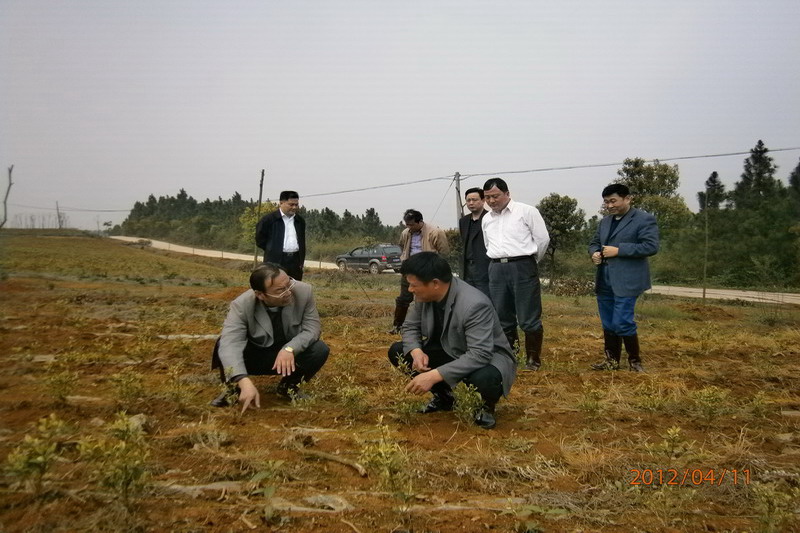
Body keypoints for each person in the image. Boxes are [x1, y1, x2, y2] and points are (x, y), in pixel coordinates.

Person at [387, 252, 517, 429]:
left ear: (435, 283)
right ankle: (445, 398)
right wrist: (416, 351)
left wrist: (432, 376)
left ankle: (483, 408)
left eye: (414, 285)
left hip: (486, 358)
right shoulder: (423, 297)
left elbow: (480, 354)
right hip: (450, 349)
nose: (410, 290)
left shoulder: (474, 304)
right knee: (398, 351)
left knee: (485, 377)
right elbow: (410, 326)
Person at [210, 263, 329, 414]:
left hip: (286, 355)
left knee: (319, 349)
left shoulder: (303, 291)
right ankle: (233, 390)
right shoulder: (242, 305)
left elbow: (312, 329)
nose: (288, 292)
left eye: (288, 284)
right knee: (222, 344)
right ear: (260, 294)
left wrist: (290, 348)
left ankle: (289, 387)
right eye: (280, 290)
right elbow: (230, 343)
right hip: (255, 354)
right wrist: (242, 379)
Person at [588, 183, 659, 372]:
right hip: (604, 279)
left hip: (628, 280)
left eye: (613, 201)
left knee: (622, 321)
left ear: (627, 199)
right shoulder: (605, 222)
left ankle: (635, 362)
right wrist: (594, 253)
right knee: (608, 322)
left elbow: (651, 246)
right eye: (606, 202)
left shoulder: (644, 219)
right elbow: (594, 243)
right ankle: (611, 362)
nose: (609, 206)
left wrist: (619, 250)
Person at [482, 178, 550, 371]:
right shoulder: (487, 219)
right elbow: (488, 244)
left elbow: (542, 240)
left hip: (522, 266)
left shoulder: (526, 211)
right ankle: (509, 357)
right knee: (502, 316)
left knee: (528, 315)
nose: (491, 201)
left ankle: (533, 360)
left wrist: (529, 261)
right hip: (496, 268)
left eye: (495, 196)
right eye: (487, 197)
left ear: (507, 194)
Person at [389, 209, 450, 334]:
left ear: (419, 222)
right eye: (407, 224)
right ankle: (397, 326)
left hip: (427, 270)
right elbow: (402, 246)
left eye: (411, 225)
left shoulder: (435, 232)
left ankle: (430, 328)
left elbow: (444, 253)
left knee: (427, 299)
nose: (409, 227)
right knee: (403, 298)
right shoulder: (406, 233)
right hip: (409, 269)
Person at [255, 191, 306, 280]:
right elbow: (260, 240)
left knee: (293, 285)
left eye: (296, 204)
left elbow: (302, 241)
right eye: (291, 204)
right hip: (275, 261)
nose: (294, 207)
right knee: (275, 284)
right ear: (281, 203)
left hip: (295, 261)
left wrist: (300, 261)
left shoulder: (300, 221)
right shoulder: (269, 220)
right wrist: (272, 249)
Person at [458, 187, 490, 298]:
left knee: (485, 298)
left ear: (483, 200)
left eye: (474, 200)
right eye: (468, 200)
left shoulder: (490, 218)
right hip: (467, 268)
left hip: (484, 267)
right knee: (469, 298)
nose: (471, 203)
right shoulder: (463, 221)